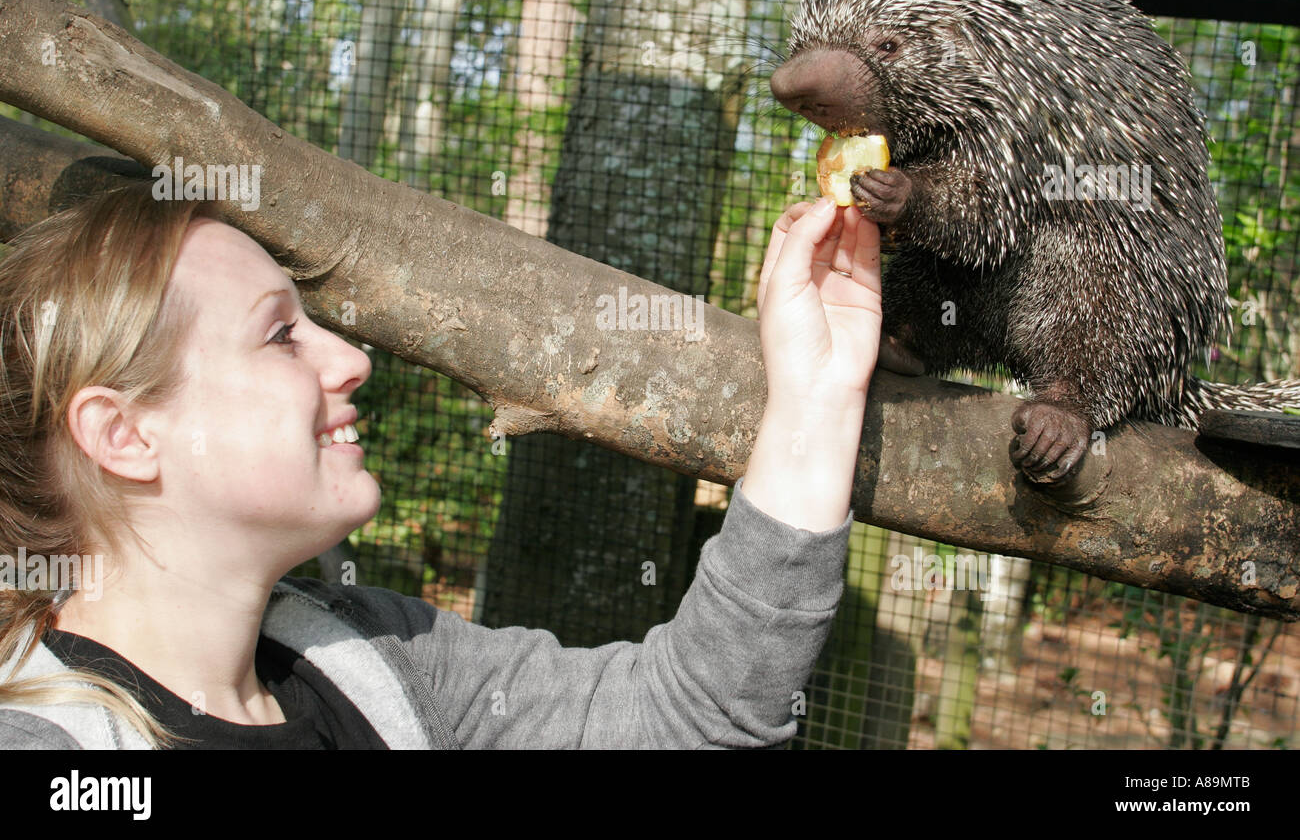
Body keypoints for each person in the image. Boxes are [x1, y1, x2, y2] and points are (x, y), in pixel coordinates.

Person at [0, 185, 881, 749]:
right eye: (280, 335)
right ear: (124, 434)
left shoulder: (375, 659)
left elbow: (687, 712)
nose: (351, 359)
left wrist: (817, 394)